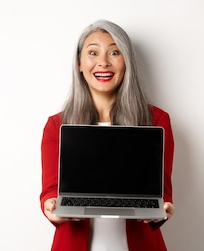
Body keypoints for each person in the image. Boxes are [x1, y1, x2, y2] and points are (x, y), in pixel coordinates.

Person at [40, 20, 176, 251]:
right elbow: (50, 190)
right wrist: (51, 206)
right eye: (93, 52)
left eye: (115, 52)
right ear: (79, 64)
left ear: (127, 63)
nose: (103, 62)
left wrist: (162, 208)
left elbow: (162, 193)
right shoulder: (57, 125)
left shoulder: (157, 120)